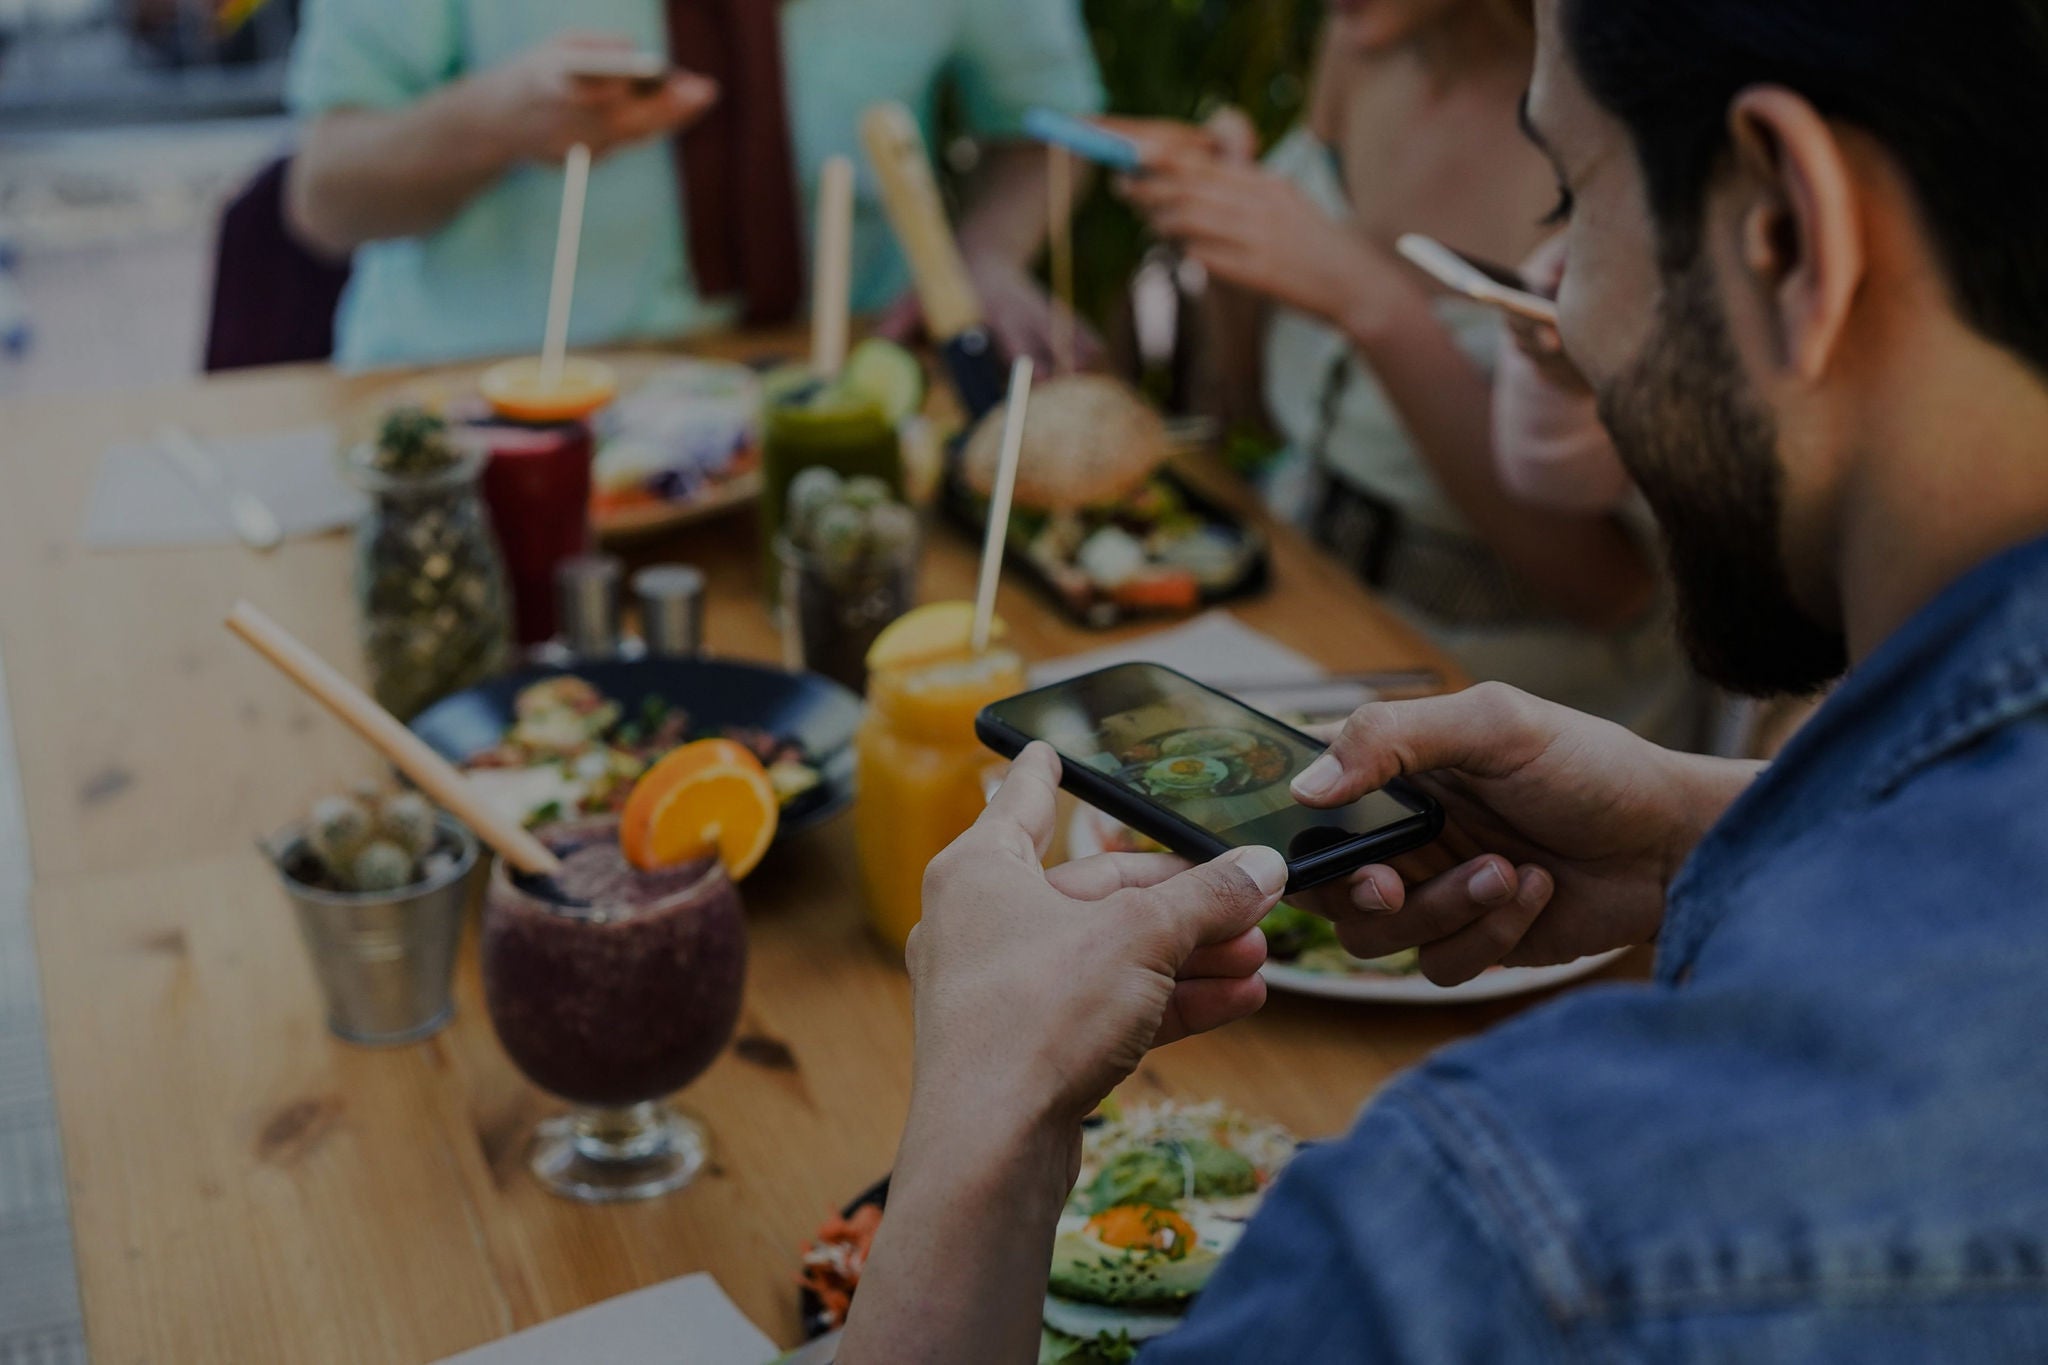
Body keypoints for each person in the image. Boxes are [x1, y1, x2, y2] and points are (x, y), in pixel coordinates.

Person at [837, 0, 2048, 1357]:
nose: (1556, 317)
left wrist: (976, 1130)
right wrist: (1708, 832)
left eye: (1572, 202)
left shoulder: (1508, 1236)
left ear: (1786, 230)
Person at [1112, 0, 1706, 751]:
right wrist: (1227, 227)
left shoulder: (1620, 126)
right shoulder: (1358, 39)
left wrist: (1376, 307)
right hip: (1294, 616)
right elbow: (1263, 416)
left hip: (1516, 711)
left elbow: (1608, 591)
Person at [283, 0, 1104, 370]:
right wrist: (494, 121)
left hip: (842, 390)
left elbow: (1048, 124)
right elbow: (324, 195)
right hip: (482, 409)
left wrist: (989, 254)